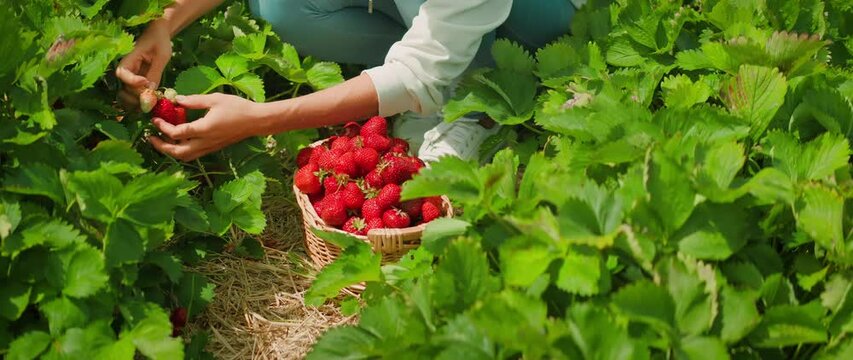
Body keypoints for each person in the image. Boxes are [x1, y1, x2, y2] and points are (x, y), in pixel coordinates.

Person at [116, 0, 582, 162]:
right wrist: (165, 24)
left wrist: (259, 119)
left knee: (433, 63)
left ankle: (481, 98)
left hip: (542, 18)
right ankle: (445, 66)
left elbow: (419, 71)